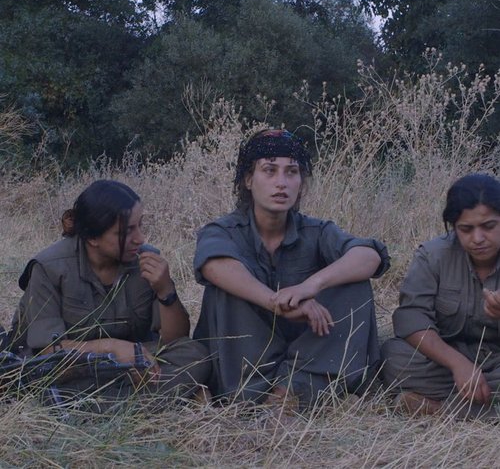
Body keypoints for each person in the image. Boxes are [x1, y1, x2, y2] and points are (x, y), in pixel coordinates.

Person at [193, 129, 390, 407]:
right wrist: (277, 303)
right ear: (248, 180)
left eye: (292, 172)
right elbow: (214, 264)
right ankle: (250, 394)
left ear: (301, 182)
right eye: (269, 171)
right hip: (246, 362)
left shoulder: (316, 230)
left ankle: (290, 393)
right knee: (225, 288)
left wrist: (309, 287)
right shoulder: (223, 230)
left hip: (306, 356)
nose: (281, 183)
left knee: (354, 282)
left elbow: (369, 256)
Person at [7, 179, 210, 407]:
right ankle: (155, 401)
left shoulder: (144, 262)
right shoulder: (49, 268)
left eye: (140, 225)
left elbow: (175, 340)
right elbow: (48, 352)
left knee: (195, 354)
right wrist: (111, 348)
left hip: (130, 366)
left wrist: (165, 290)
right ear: (92, 237)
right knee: (51, 383)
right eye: (127, 231)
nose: (140, 238)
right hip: (69, 369)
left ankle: (98, 406)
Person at [382, 173, 500, 417]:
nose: (478, 239)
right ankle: (482, 408)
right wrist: (458, 364)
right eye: (466, 229)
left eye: (489, 227)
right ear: (454, 227)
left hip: (496, 359)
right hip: (444, 357)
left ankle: (440, 409)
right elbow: (412, 319)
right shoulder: (433, 255)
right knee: (392, 357)